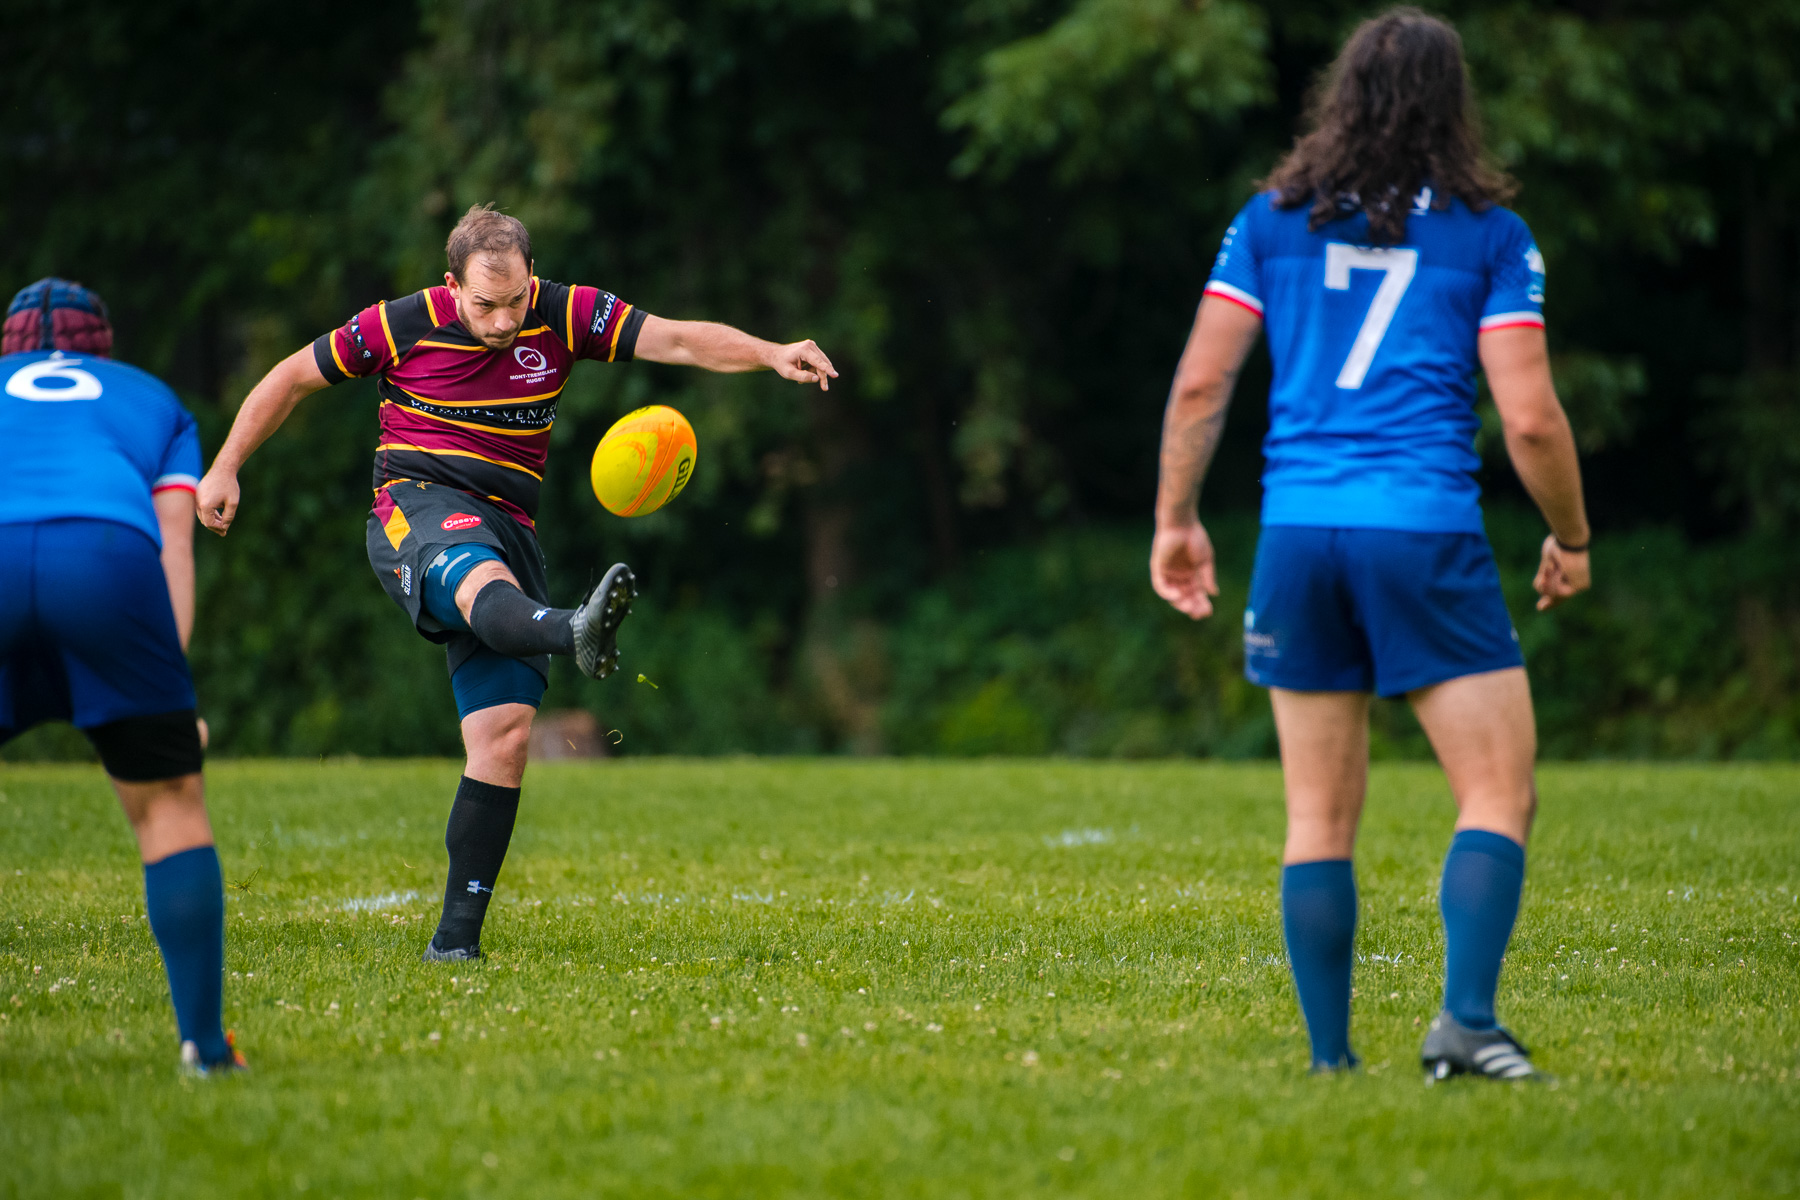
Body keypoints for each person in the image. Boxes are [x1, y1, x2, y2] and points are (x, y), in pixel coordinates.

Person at [196, 205, 837, 962]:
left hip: (512, 528)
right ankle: (572, 629)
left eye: (515, 301)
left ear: (532, 279)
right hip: (416, 505)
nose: (502, 321)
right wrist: (226, 466)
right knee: (478, 580)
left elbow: (675, 338)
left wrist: (771, 352)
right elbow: (291, 377)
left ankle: (454, 947)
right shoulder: (400, 323)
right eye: (484, 304)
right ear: (452, 287)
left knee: (502, 738)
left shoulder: (563, 313)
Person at [1150, 8, 1590, 1081]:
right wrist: (1571, 535)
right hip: (1421, 533)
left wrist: (1175, 519)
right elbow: (1530, 419)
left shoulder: (1268, 222)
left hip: (1298, 533)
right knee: (1497, 792)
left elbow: (1203, 383)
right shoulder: (1492, 236)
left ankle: (1330, 1062)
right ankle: (1465, 1024)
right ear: (1453, 105)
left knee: (1317, 815)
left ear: (1340, 97)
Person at [0, 278, 245, 1076]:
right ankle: (205, 1050)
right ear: (102, 348)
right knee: (169, 804)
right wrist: (169, 699)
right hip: (105, 556)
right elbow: (174, 543)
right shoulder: (152, 398)